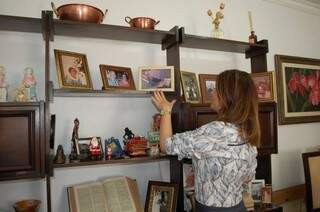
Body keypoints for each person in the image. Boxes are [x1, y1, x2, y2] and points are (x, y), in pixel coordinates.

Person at [151, 69, 260, 212]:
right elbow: (247, 178)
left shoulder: (212, 132)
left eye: (215, 89)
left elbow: (167, 145)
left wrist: (165, 111)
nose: (212, 92)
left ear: (226, 97)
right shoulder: (248, 131)